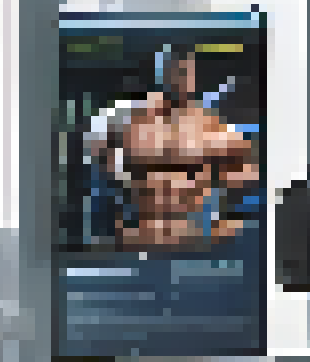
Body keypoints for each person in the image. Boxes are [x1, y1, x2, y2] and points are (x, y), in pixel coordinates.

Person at [81, 44, 259, 252]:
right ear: (162, 75)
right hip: (144, 229)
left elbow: (245, 172)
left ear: (192, 76)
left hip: (197, 229)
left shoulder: (210, 125)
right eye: (173, 72)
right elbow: (102, 161)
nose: (179, 80)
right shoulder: (131, 119)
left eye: (184, 72)